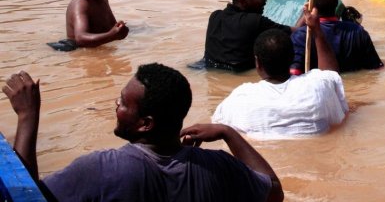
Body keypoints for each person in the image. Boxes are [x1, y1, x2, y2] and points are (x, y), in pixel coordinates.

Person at [2, 64, 284, 202]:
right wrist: (228, 133)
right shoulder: (218, 167)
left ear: (145, 124)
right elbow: (274, 192)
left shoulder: (102, 170)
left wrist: (28, 118)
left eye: (124, 102)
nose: (116, 104)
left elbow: (25, 198)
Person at [212, 13, 348, 138]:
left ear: (257, 63)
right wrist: (317, 31)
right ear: (293, 57)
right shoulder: (316, 87)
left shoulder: (241, 97)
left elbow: (218, 123)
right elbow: (331, 75)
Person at [290, 0, 383, 75]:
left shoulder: (301, 36)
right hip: (356, 88)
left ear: (311, 6)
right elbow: (377, 68)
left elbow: (294, 72)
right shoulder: (358, 31)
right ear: (336, 4)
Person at [204, 0, 293, 72]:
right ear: (242, 0)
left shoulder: (215, 16)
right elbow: (295, 31)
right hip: (239, 74)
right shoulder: (254, 21)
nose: (264, 0)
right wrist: (307, 9)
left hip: (208, 69)